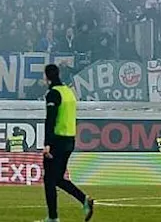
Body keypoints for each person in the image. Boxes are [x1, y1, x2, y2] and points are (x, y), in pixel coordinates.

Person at [42, 64, 95, 222]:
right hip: (69, 140)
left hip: (57, 140)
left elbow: (50, 119)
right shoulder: (69, 92)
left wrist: (47, 144)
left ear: (47, 77)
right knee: (58, 178)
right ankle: (84, 199)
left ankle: (53, 217)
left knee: (49, 180)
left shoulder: (53, 93)